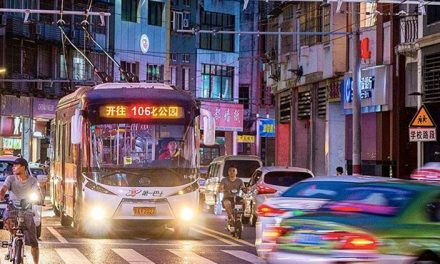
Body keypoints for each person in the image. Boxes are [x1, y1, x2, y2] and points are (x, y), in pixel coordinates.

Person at [0, 158, 40, 264]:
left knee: (34, 243)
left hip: (27, 209)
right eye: (13, 166)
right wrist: (1, 194)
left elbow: (37, 191)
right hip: (12, 207)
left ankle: (36, 262)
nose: (13, 167)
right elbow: (4, 188)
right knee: (7, 219)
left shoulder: (32, 180)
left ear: (23, 167)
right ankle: (13, 236)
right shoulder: (11, 178)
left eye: (16, 165)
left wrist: (38, 198)